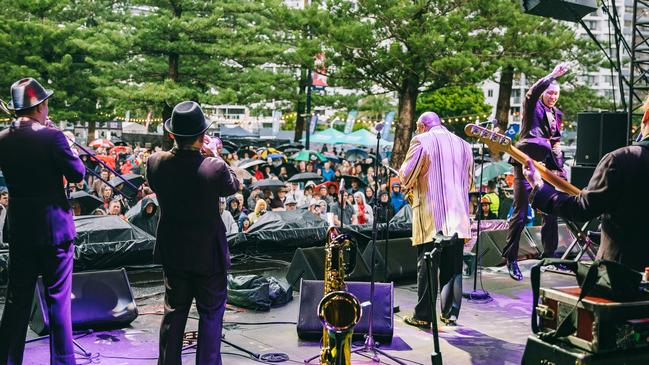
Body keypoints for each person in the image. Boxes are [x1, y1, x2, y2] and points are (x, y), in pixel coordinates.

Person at [146, 101, 239, 365]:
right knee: (210, 317)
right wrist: (215, 155)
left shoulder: (155, 163)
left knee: (173, 315)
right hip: (208, 254)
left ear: (172, 134)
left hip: (174, 252)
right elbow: (233, 186)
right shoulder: (214, 167)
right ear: (202, 137)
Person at [0, 78, 85, 364]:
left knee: (16, 301)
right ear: (40, 107)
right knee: (58, 301)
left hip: (21, 230)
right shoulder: (53, 137)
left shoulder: (2, 138)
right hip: (54, 232)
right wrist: (66, 144)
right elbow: (77, 174)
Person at [522, 94, 649, 272]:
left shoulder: (621, 159)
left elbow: (581, 210)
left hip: (623, 275)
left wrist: (539, 187)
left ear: (646, 116)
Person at [399, 111, 473, 328]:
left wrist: (409, 185)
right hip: (458, 216)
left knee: (428, 265)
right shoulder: (464, 144)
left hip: (432, 215)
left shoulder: (421, 140)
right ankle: (450, 314)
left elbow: (406, 175)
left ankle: (423, 315)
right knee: (453, 267)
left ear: (422, 126)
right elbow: (469, 183)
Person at [503, 62, 569, 281]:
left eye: (556, 93)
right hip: (525, 161)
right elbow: (531, 94)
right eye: (550, 92)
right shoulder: (533, 107)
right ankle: (511, 258)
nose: (553, 96)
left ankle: (549, 257)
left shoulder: (556, 114)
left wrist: (558, 156)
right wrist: (551, 75)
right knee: (520, 213)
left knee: (550, 212)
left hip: (546, 167)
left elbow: (555, 142)